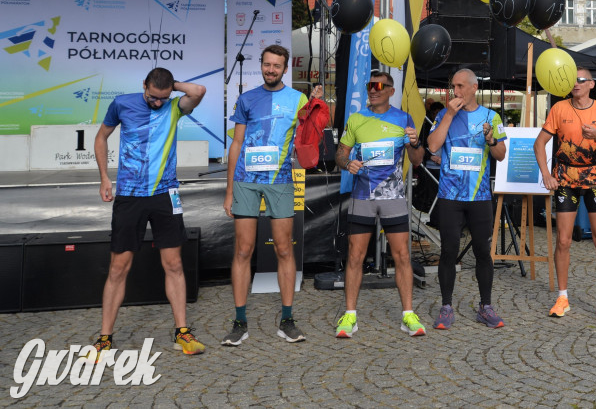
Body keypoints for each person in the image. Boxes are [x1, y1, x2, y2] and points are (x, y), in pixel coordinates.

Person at [92, 68, 207, 358]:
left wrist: (171, 87)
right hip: (129, 195)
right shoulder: (122, 103)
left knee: (174, 265)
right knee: (118, 268)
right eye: (153, 97)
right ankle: (105, 337)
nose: (157, 103)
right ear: (143, 85)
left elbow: (199, 91)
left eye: (163, 98)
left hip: (165, 194)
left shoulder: (174, 106)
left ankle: (182, 332)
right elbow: (101, 137)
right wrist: (105, 177)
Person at [223, 45, 322, 346]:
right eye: (267, 65)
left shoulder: (298, 99)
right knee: (243, 250)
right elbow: (236, 143)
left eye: (276, 66)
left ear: (284, 68)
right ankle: (240, 321)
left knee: (283, 249)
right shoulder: (246, 98)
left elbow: (310, 139)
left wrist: (317, 109)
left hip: (280, 181)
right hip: (246, 181)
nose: (271, 70)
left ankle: (287, 319)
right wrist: (229, 191)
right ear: (261, 65)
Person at [333, 69, 426, 338]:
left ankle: (408, 315)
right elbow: (340, 153)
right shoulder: (357, 118)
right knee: (355, 256)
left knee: (402, 256)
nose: (373, 90)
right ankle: (350, 316)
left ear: (390, 91)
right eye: (369, 86)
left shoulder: (403, 118)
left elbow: (417, 159)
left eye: (379, 86)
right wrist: (346, 163)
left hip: (394, 198)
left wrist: (414, 141)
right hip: (362, 197)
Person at [534, 68, 596, 324]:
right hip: (565, 180)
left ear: (591, 85)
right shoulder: (559, 108)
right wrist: (546, 174)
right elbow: (539, 144)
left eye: (581, 80)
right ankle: (562, 297)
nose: (575, 83)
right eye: (573, 79)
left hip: (595, 178)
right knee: (563, 240)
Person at [426, 69, 508, 330]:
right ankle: (446, 306)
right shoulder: (443, 114)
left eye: (460, 86)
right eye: (453, 86)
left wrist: (491, 139)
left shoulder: (491, 117)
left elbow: (501, 154)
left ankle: (486, 306)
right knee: (449, 250)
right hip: (450, 195)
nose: (455, 91)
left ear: (474, 88)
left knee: (483, 252)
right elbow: (432, 146)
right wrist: (449, 114)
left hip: (480, 196)